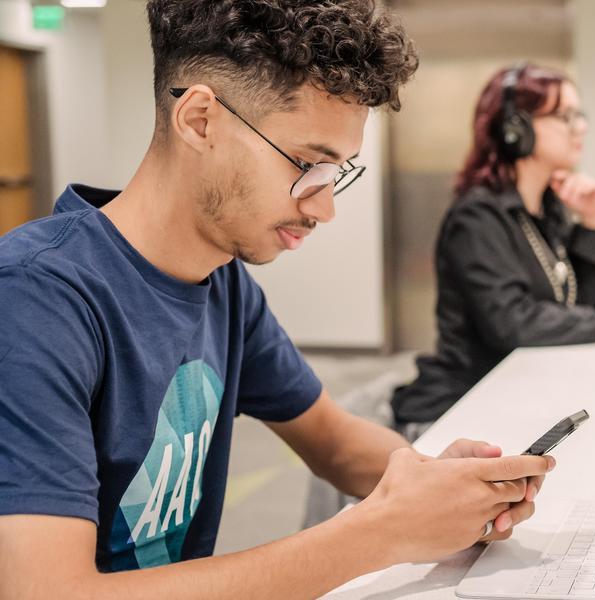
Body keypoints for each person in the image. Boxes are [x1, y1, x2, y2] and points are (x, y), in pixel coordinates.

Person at [0, 1, 552, 597]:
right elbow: (49, 593)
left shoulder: (223, 282)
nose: (324, 207)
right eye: (307, 163)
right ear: (200, 121)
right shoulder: (35, 299)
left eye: (336, 173)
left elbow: (334, 442)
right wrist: (381, 532)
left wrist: (438, 485)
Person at [390, 63, 595, 434]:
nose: (581, 127)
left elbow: (584, 307)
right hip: (459, 408)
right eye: (565, 116)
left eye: (579, 115)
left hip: (518, 394)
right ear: (515, 129)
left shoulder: (546, 209)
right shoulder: (478, 217)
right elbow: (515, 324)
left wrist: (591, 223)